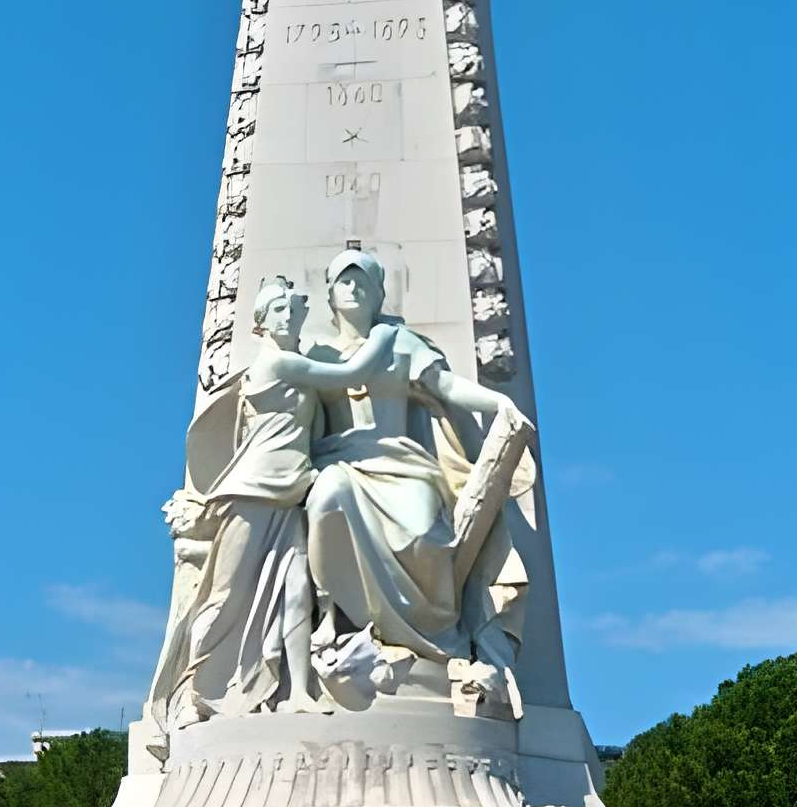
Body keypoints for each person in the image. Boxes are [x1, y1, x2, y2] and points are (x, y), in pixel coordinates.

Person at [146, 276, 395, 726]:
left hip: (291, 496)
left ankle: (297, 691)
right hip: (251, 494)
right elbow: (351, 375)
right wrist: (381, 334)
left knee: (297, 592)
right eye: (276, 311)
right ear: (260, 323)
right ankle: (191, 694)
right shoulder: (278, 364)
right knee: (225, 596)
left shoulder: (297, 369)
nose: (286, 317)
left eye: (291, 309)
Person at [305, 250, 528, 685]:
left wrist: (499, 402)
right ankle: (333, 618)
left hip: (402, 464)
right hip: (340, 461)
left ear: (379, 293)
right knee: (327, 496)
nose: (353, 288)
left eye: (363, 281)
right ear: (330, 295)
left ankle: (427, 629)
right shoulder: (318, 355)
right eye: (344, 281)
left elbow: (444, 386)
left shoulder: (401, 342)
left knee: (425, 530)